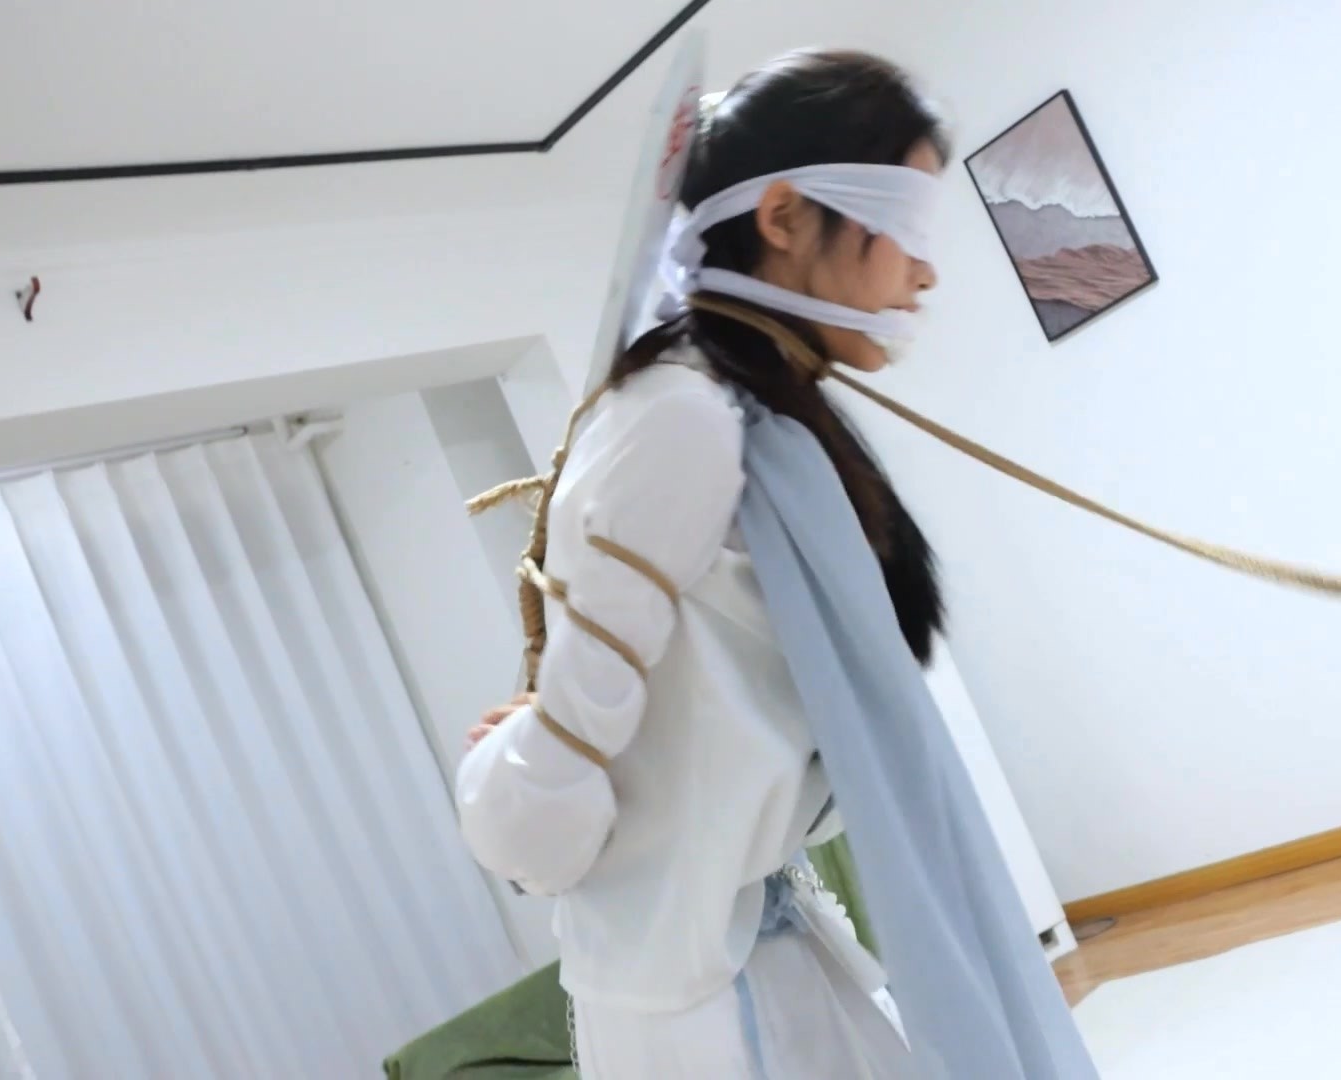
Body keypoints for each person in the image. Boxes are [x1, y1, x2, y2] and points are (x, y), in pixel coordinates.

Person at [454, 49, 1095, 1079]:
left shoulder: (740, 413)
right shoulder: (684, 416)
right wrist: (520, 755)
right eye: (903, 225)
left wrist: (544, 746)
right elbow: (549, 809)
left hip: (746, 947)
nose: (924, 271)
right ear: (786, 217)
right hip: (697, 995)